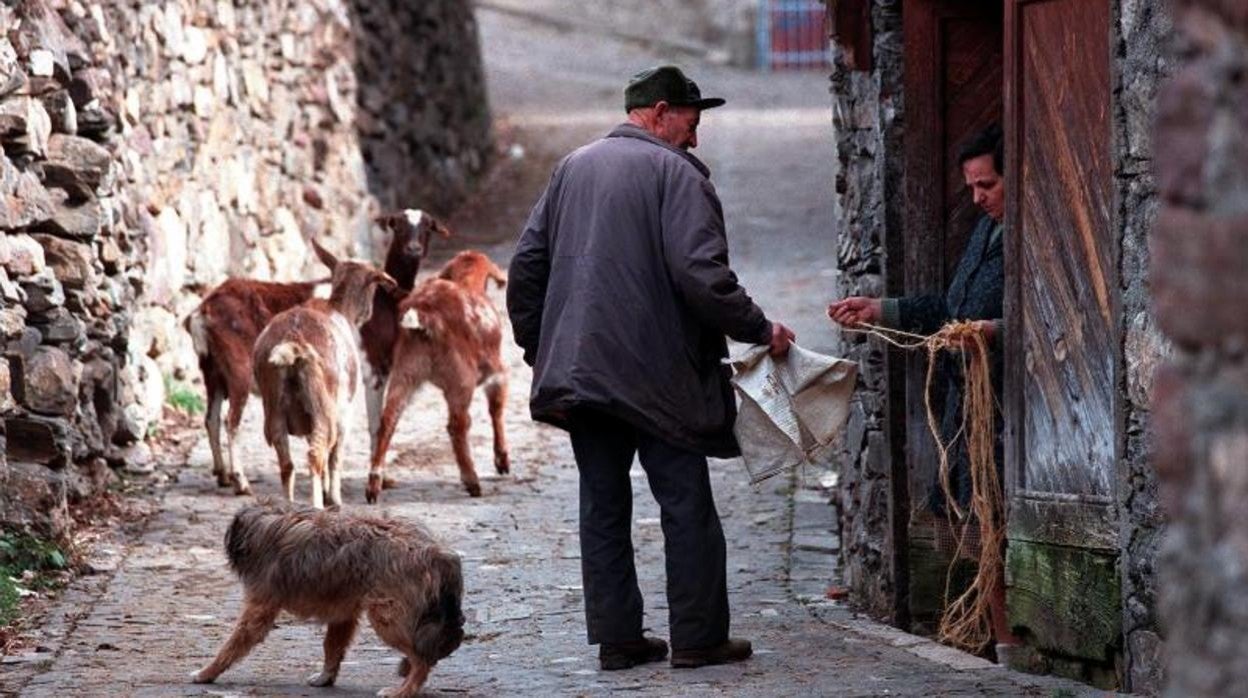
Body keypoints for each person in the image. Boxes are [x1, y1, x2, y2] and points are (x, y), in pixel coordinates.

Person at [507, 65, 795, 672]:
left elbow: (526, 269)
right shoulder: (677, 175)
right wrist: (759, 329)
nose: (696, 136)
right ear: (661, 112)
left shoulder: (571, 167)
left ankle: (618, 640)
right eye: (692, 120)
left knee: (602, 503)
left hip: (583, 376)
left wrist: (545, 349)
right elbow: (702, 277)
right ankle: (697, 638)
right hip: (659, 376)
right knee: (685, 502)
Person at [827, 123, 1016, 648]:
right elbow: (951, 309)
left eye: (987, 186)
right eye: (972, 188)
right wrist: (879, 309)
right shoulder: (986, 231)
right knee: (976, 523)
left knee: (995, 521)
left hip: (1009, 412)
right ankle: (1000, 647)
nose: (977, 198)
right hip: (968, 410)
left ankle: (1012, 650)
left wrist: (994, 332)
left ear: (1014, 179)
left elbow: (1046, 316)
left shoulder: (1033, 232)